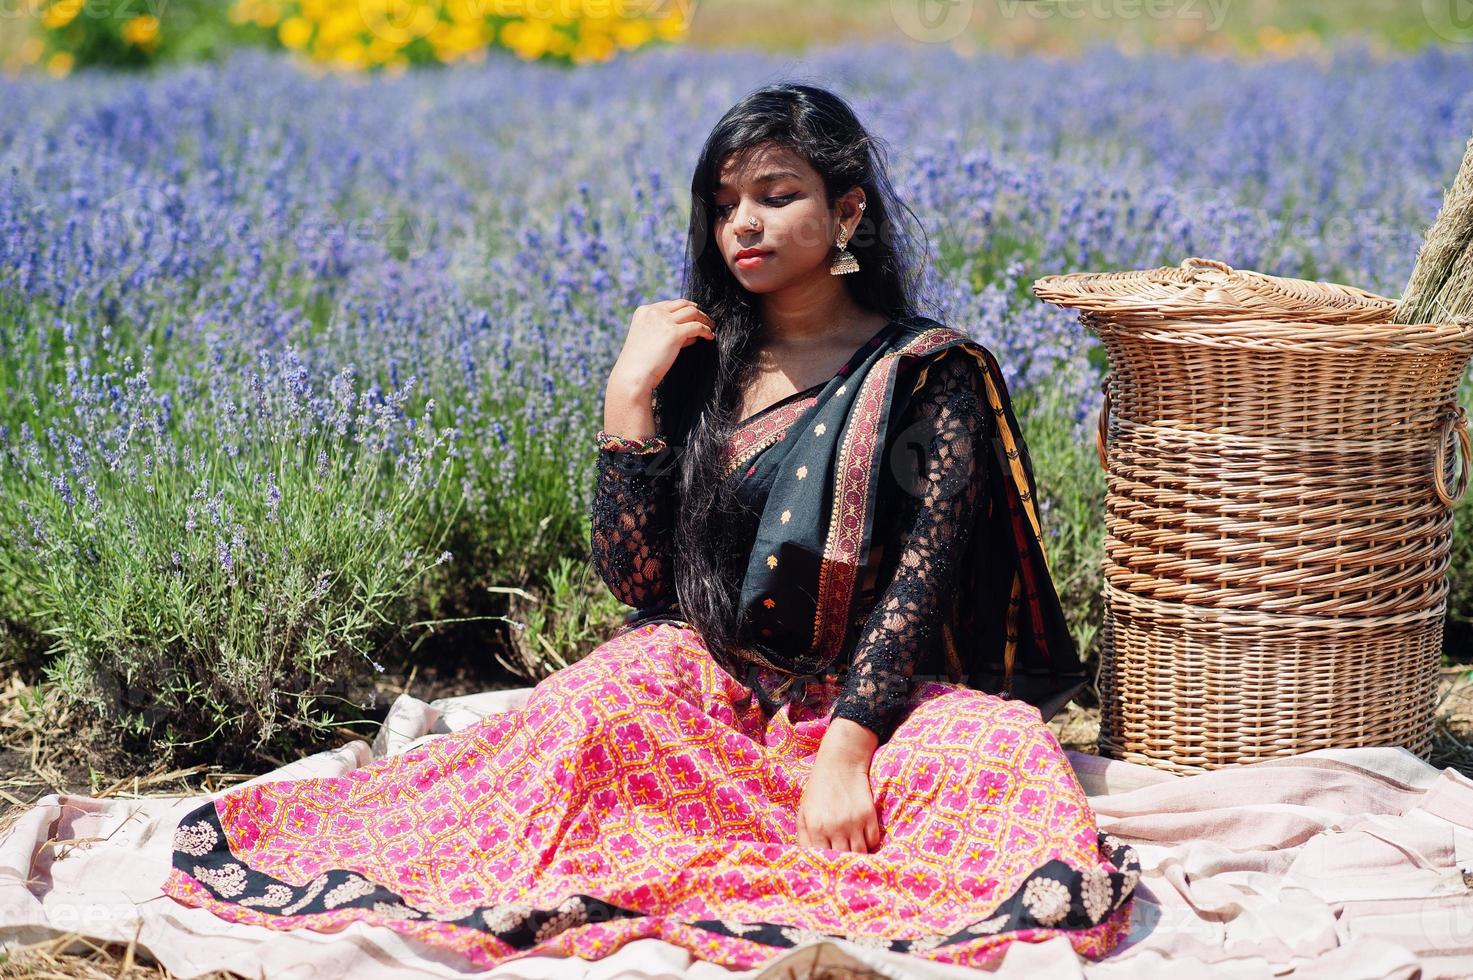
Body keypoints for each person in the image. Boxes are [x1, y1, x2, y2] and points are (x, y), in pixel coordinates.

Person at [159, 82, 1139, 971]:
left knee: (1005, 752)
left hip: (876, 703)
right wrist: (626, 400)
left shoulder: (929, 374)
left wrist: (846, 750)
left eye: (775, 194)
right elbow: (638, 582)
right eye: (723, 205)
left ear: (847, 212)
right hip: (713, 684)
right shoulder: (701, 361)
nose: (743, 224)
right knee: (587, 711)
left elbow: (916, 592)